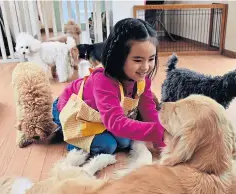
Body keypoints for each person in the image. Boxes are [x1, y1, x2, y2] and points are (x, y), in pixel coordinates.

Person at [52, 18, 164, 155]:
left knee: (125, 141)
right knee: (108, 146)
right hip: (71, 110)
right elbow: (116, 123)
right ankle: (71, 140)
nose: (146, 67)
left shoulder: (141, 78)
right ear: (119, 57)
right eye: (137, 60)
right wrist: (154, 130)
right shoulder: (104, 80)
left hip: (100, 115)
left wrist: (159, 140)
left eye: (151, 59)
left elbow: (147, 107)